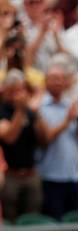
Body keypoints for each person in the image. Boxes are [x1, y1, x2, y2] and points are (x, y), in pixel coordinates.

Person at [35, 64, 78, 219]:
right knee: (55, 227)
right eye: (53, 78)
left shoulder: (72, 106)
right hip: (52, 177)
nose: (58, 82)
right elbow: (46, 139)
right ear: (45, 81)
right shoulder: (40, 108)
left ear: (66, 83)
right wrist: (68, 120)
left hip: (75, 175)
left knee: (77, 225)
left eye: (61, 79)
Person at [0, 76, 43, 222]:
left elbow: (43, 140)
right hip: (11, 176)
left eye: (21, 90)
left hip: (31, 174)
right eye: (15, 91)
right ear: (7, 92)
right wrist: (19, 111)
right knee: (10, 220)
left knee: (33, 219)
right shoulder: (3, 110)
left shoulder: (30, 112)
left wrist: (36, 113)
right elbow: (10, 138)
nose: (19, 94)